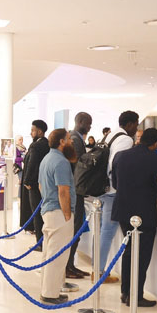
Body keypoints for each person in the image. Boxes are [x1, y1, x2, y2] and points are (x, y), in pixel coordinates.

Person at [111, 127, 157, 307]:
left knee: (128, 253)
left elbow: (115, 183)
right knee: (141, 256)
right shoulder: (155, 159)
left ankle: (125, 292)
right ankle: (136, 295)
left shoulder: (121, 156)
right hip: (143, 214)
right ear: (156, 143)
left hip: (122, 210)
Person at [94, 110, 140, 283]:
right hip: (113, 191)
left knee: (101, 231)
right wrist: (121, 187)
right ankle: (98, 272)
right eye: (136, 124)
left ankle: (96, 269)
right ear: (129, 124)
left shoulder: (109, 135)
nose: (136, 128)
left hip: (103, 189)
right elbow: (117, 163)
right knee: (107, 231)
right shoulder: (125, 139)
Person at [37, 129, 77, 303]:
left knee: (49, 252)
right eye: (69, 139)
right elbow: (63, 190)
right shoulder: (61, 162)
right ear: (61, 142)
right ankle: (50, 294)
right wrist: (67, 214)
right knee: (58, 255)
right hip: (59, 213)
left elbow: (40, 185)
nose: (71, 142)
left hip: (48, 210)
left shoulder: (47, 159)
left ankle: (49, 289)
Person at [66, 112, 93, 279]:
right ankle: (67, 266)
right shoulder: (75, 140)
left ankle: (70, 265)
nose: (90, 127)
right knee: (73, 230)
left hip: (77, 190)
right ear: (81, 122)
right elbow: (77, 167)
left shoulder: (75, 137)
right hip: (75, 191)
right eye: (89, 123)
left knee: (76, 230)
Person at [21, 120, 50, 245]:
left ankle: (40, 242)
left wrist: (27, 181)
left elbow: (31, 164)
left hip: (33, 184)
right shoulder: (46, 144)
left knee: (36, 213)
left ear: (39, 131)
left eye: (33, 130)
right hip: (44, 183)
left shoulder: (35, 146)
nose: (31, 132)